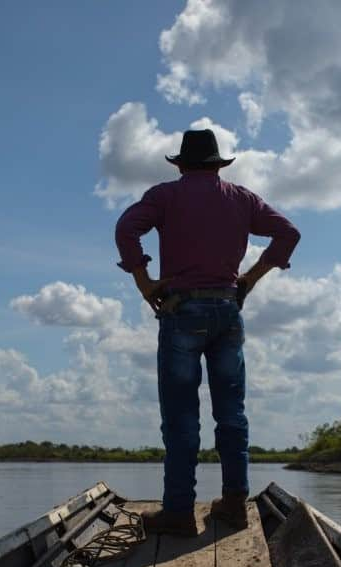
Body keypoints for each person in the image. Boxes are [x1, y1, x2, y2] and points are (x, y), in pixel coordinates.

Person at [114, 128, 300, 535]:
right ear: (218, 165)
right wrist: (249, 279)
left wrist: (144, 283)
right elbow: (289, 233)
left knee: (181, 417)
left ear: (180, 164)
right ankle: (234, 505)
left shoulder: (165, 196)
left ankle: (179, 513)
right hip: (228, 311)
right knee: (231, 413)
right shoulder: (242, 198)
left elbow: (126, 229)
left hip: (182, 310)